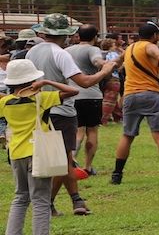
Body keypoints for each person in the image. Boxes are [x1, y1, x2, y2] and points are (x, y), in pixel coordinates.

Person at [28, 14, 119, 215]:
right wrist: (106, 70)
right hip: (62, 111)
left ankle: (77, 201)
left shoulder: (31, 52)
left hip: (40, 111)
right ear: (66, 35)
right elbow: (84, 82)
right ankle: (48, 203)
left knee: (65, 159)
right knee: (61, 161)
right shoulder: (60, 54)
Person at [1, 60, 78, 235]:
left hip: (16, 152)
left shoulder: (5, 102)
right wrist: (47, 84)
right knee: (41, 198)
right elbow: (72, 91)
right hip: (39, 152)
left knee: (20, 196)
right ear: (33, 79)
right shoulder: (42, 98)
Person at [111, 23, 159, 188]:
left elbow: (115, 63)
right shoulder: (149, 46)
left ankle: (117, 175)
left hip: (130, 95)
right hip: (151, 95)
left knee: (127, 135)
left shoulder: (129, 48)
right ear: (155, 35)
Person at [65, 25, 108, 176]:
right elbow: (97, 61)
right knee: (92, 131)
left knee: (78, 131)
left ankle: (71, 161)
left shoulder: (67, 51)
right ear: (95, 36)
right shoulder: (93, 49)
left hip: (72, 95)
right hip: (92, 95)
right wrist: (105, 66)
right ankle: (88, 166)